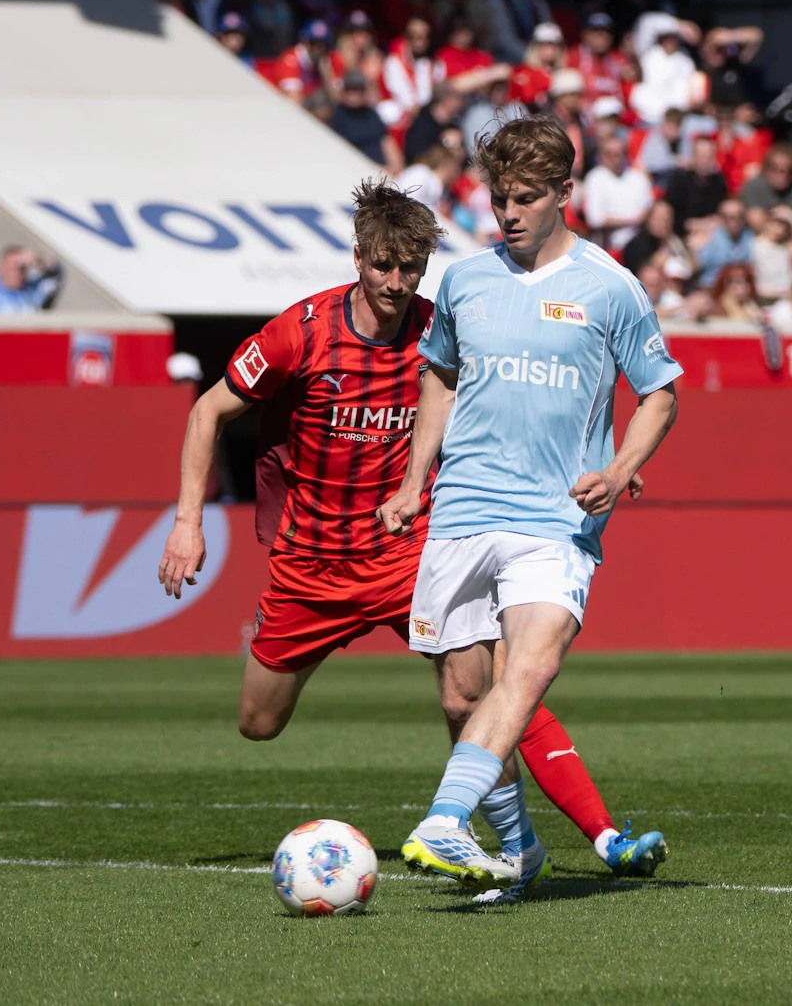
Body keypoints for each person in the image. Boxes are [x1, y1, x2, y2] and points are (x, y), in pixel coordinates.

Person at [157, 180, 665, 888]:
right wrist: (187, 522)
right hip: (310, 562)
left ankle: (586, 835)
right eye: (384, 266)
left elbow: (528, 397)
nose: (397, 283)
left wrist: (613, 464)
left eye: (410, 268)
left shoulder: (444, 323)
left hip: (410, 548)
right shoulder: (299, 331)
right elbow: (208, 411)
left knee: (493, 684)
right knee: (257, 722)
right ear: (359, 255)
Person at [379, 117, 681, 901]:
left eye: (526, 197)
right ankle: (520, 848)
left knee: (533, 664)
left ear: (564, 196)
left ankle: (446, 817)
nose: (508, 211)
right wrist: (415, 480)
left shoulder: (611, 286)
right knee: (460, 697)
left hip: (555, 518)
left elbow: (660, 395)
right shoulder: (465, 282)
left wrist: (619, 470)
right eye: (499, 197)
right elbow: (438, 379)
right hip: (463, 510)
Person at [579, 134, 655, 254]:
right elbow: (595, 219)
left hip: (642, 241)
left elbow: (649, 207)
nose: (616, 158)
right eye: (611, 154)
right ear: (602, 155)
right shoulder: (595, 178)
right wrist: (632, 220)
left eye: (620, 153)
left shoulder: (637, 176)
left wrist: (642, 218)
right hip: (610, 246)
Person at [327, 73, 402, 173]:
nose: (354, 95)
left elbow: (387, 142)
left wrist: (395, 167)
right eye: (350, 90)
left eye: (358, 90)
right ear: (343, 92)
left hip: (385, 172)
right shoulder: (337, 117)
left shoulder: (372, 115)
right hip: (359, 172)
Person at [0, 245, 63, 313]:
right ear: (1, 266)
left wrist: (38, 258)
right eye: (15, 267)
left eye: (23, 268)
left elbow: (57, 272)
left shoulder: (29, 290)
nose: (19, 273)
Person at [738, 142, 792, 233]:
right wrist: (786, 216)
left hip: (788, 240)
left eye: (788, 171)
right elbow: (756, 222)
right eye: (775, 169)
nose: (781, 175)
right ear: (766, 168)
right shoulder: (754, 186)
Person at [695, 198, 754, 288]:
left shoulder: (750, 237)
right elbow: (695, 268)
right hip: (711, 287)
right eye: (728, 217)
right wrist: (694, 250)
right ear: (720, 218)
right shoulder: (709, 237)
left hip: (741, 291)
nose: (734, 222)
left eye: (739, 217)